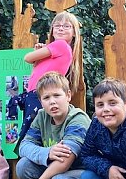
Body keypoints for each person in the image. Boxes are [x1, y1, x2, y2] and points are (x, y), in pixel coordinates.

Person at [16, 72, 107, 179]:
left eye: (57, 95)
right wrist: (47, 152)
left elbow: (64, 162)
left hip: (85, 173)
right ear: (41, 101)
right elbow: (24, 146)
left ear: (68, 96)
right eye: (46, 98)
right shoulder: (42, 117)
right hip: (58, 170)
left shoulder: (77, 119)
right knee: (23, 166)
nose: (52, 102)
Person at [10, 11, 83, 141]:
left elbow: (27, 58)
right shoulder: (61, 49)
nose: (61, 28)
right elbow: (36, 68)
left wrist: (38, 52)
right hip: (38, 95)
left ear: (74, 33)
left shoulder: (60, 45)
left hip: (39, 96)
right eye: (57, 25)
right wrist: (41, 51)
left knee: (28, 136)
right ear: (52, 30)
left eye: (67, 26)